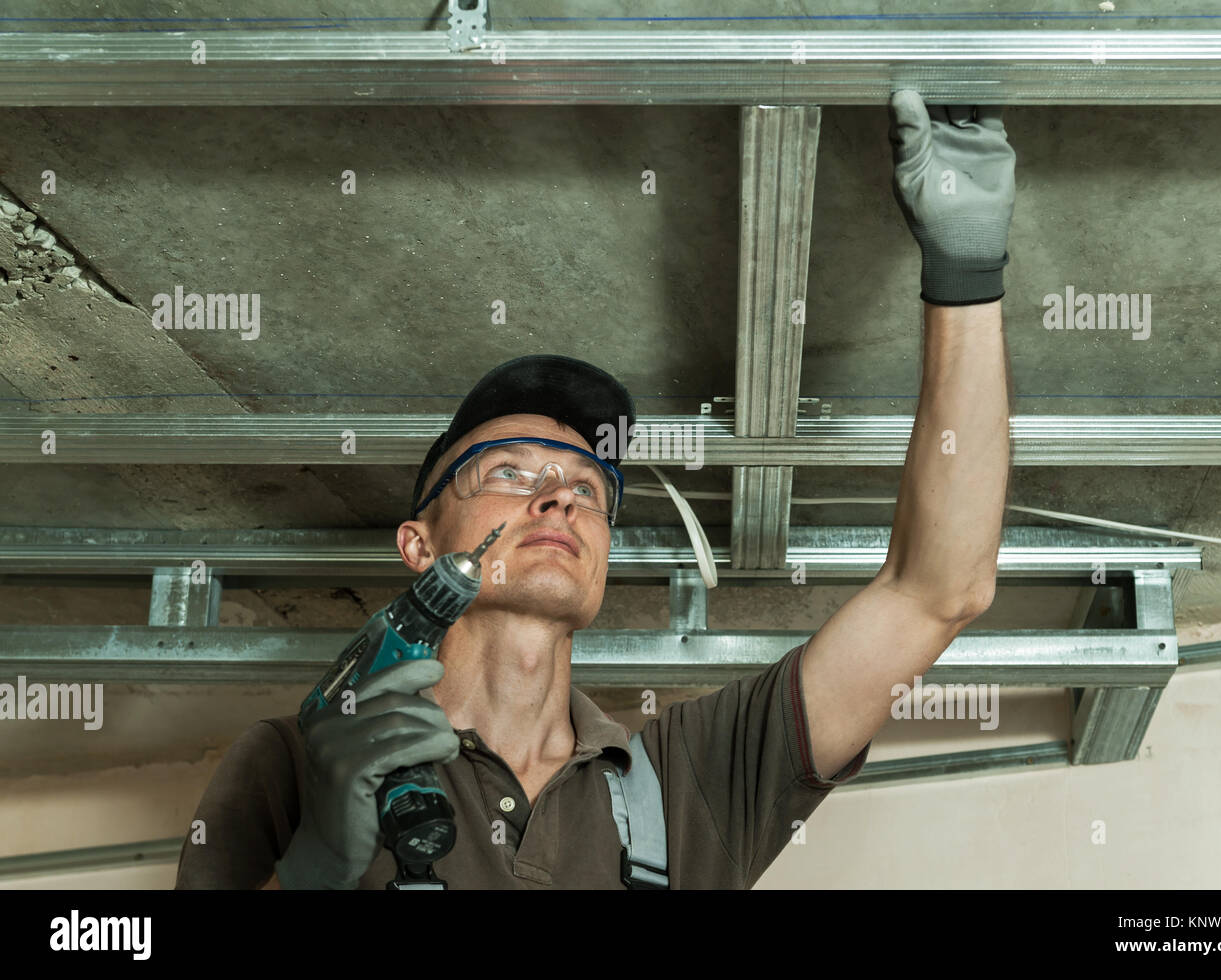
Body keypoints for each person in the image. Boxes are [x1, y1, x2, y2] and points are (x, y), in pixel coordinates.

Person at [174, 90, 1013, 889]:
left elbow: (935, 589)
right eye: (510, 473)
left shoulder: (694, 781)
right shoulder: (300, 760)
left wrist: (967, 269)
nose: (559, 497)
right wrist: (311, 869)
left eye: (586, 486)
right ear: (418, 545)